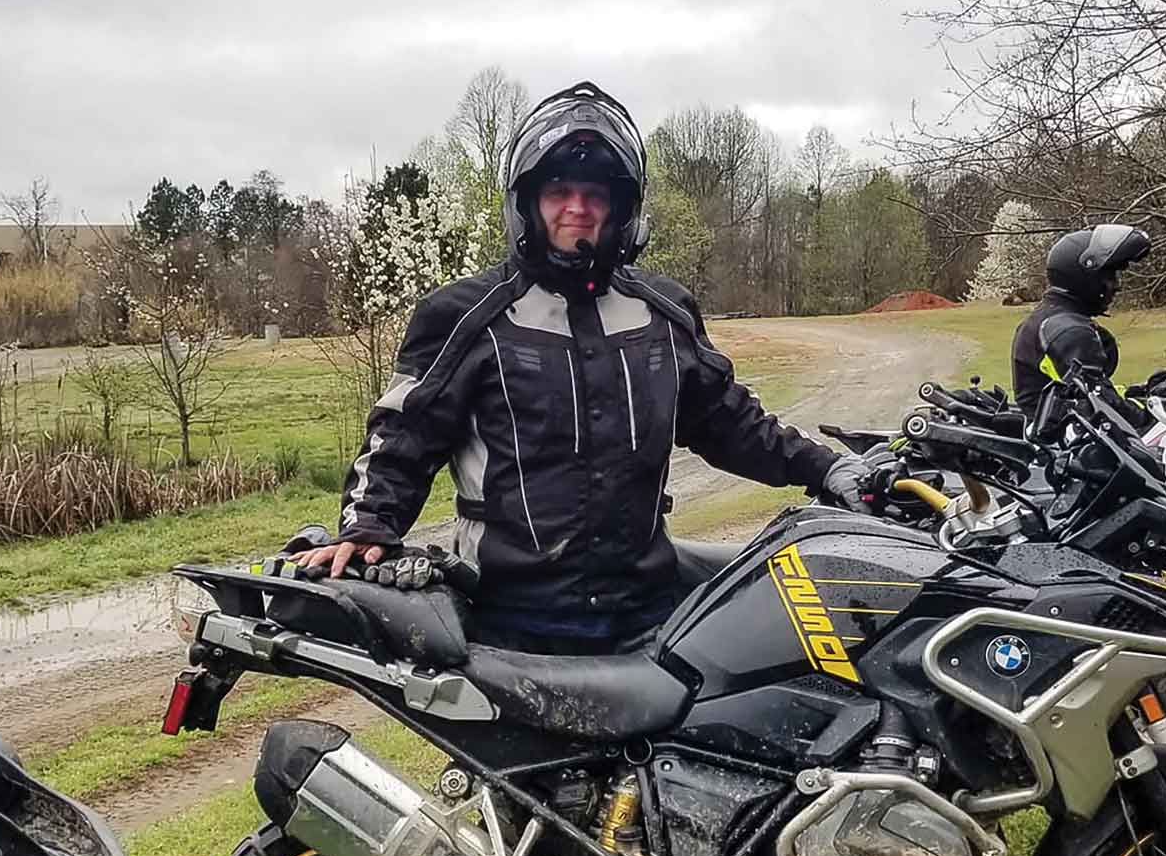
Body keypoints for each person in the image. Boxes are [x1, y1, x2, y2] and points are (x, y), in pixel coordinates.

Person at [291, 82, 868, 653]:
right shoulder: (466, 316)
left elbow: (731, 423)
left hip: (648, 612)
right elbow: (403, 437)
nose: (578, 208)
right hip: (506, 618)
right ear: (527, 202)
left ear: (622, 207)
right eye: (559, 189)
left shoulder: (663, 314)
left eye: (596, 193)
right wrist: (369, 525)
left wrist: (829, 470)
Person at [1009, 224, 1153, 437]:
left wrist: (1145, 393)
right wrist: (1152, 417)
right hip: (1068, 445)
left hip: (1051, 435)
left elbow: (1088, 388)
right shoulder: (1070, 331)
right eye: (1109, 276)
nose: (1115, 286)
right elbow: (1100, 402)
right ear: (1084, 276)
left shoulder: (1048, 317)